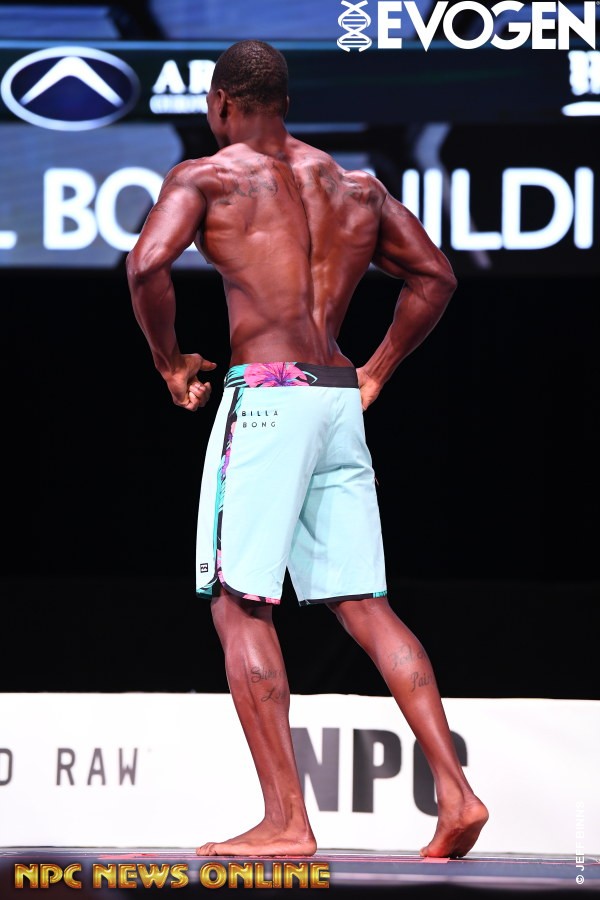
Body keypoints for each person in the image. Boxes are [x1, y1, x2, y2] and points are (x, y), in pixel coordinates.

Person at [126, 39, 489, 860]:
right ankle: (457, 793)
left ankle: (287, 820)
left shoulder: (207, 178)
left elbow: (146, 266)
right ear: (285, 105)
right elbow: (435, 276)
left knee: (239, 603)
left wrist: (169, 361)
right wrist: (377, 371)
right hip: (333, 398)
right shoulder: (355, 186)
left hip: (267, 397)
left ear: (220, 105)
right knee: (365, 603)